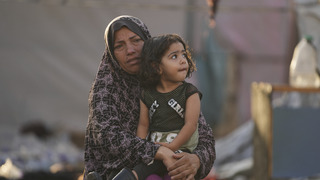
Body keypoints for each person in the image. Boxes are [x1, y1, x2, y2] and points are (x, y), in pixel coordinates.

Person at [84, 15, 216, 180]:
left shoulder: (170, 83)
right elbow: (107, 136)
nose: (130, 50)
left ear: (148, 42)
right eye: (119, 46)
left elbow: (204, 135)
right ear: (111, 53)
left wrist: (196, 159)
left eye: (136, 41)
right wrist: (157, 151)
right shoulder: (105, 89)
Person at [125, 34, 202, 179]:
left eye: (184, 55)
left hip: (181, 149)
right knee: (150, 177)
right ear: (157, 67)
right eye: (174, 56)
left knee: (171, 174)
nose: (182, 60)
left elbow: (191, 125)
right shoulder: (147, 94)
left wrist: (172, 147)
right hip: (156, 150)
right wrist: (140, 150)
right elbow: (143, 124)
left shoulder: (190, 93)